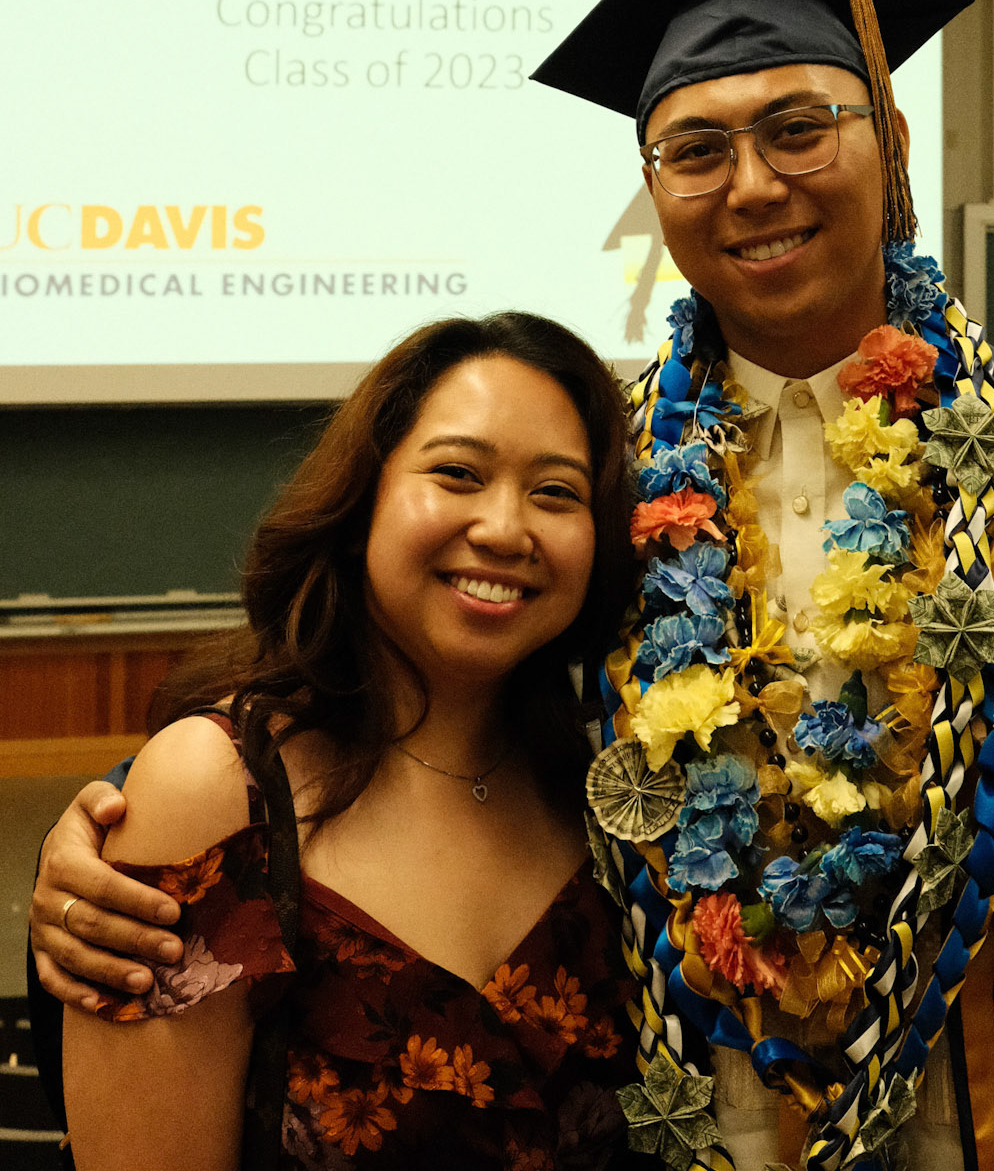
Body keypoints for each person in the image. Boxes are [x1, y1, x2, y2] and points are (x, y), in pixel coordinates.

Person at [32, 0, 994, 1171]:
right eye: (696, 149)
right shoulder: (590, 492)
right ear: (652, 187)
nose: (751, 185)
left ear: (890, 139)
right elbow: (405, 732)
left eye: (798, 128)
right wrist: (106, 858)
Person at [55, 310, 645, 1170]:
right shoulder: (216, 793)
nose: (504, 529)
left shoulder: (613, 789)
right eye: (458, 474)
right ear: (364, 497)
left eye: (556, 492)